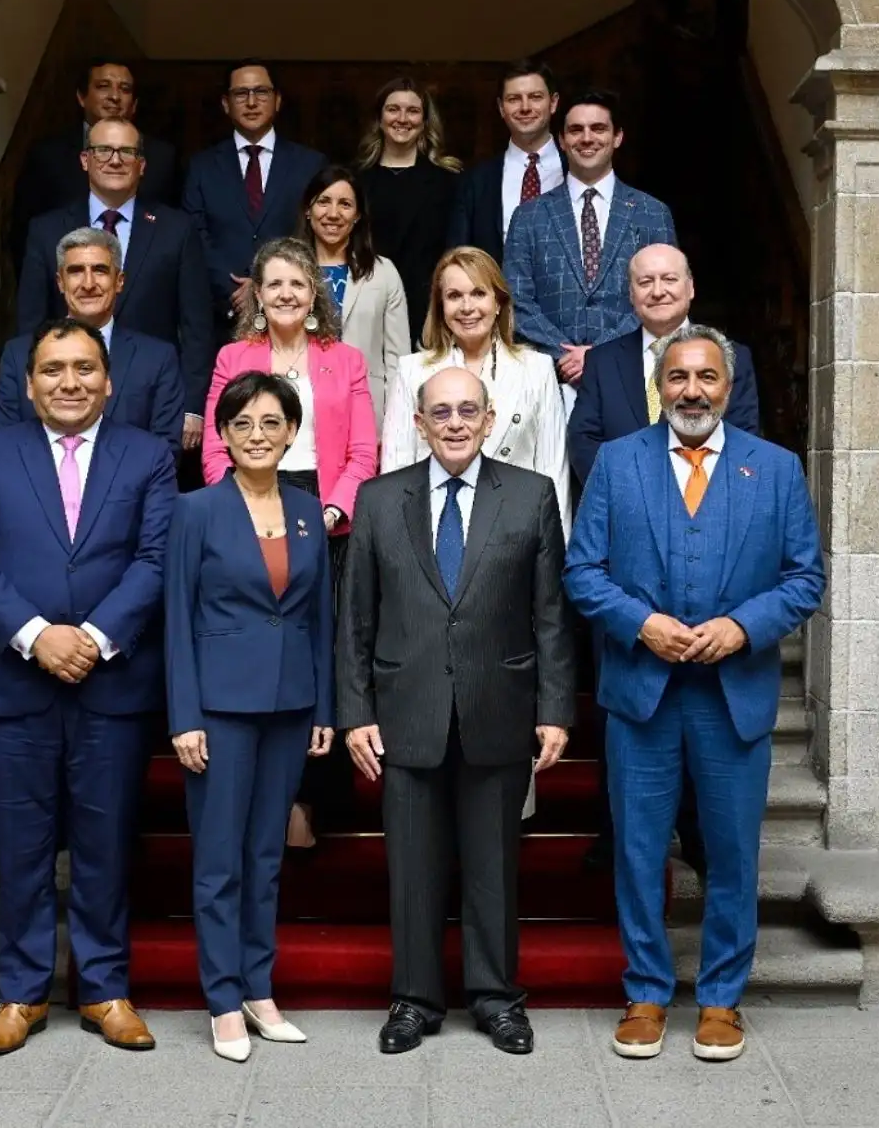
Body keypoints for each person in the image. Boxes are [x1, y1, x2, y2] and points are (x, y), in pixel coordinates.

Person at [562, 323, 823, 1064]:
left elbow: (806, 577)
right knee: (641, 851)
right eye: (677, 377)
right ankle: (645, 992)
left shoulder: (774, 469)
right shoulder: (617, 463)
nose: (692, 390)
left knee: (733, 854)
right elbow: (584, 572)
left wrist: (743, 628)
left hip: (732, 697)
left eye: (707, 377)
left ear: (728, 386)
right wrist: (640, 623)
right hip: (642, 695)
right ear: (659, 386)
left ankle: (720, 1000)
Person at [0, 318, 179, 1058]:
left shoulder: (147, 455)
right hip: (15, 683)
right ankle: (21, 993)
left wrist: (96, 637)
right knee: (21, 845)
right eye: (53, 369)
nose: (69, 381)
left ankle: (105, 988)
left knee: (106, 844)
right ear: (29, 382)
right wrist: (37, 634)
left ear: (109, 381)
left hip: (111, 685)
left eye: (84, 368)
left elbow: (155, 556)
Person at [338, 366, 575, 1058]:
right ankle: (412, 1000)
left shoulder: (531, 496)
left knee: (493, 867)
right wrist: (355, 712)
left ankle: (498, 998)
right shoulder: (379, 500)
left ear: (490, 416)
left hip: (495, 708)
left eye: (467, 409)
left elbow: (551, 617)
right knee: (412, 869)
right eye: (439, 411)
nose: (454, 422)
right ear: (418, 421)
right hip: (404, 712)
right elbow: (354, 617)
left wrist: (556, 708)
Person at [166, 371, 335, 1063]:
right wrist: (184, 717)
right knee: (219, 860)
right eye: (242, 423)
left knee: (267, 856)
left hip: (290, 705)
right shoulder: (196, 511)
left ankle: (260, 989)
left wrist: (325, 705)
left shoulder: (306, 508)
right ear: (223, 435)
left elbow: (320, 615)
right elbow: (175, 618)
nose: (257, 434)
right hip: (219, 707)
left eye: (271, 422)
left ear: (292, 431)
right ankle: (222, 997)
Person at [202, 237, 377, 849]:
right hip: (248, 507)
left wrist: (331, 511)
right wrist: (242, 513)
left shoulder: (346, 360)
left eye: (298, 284)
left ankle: (309, 799)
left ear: (315, 295)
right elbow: (214, 450)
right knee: (258, 649)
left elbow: (362, 454)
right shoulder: (232, 357)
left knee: (318, 656)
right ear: (257, 291)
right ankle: (258, 796)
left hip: (323, 514)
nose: (286, 293)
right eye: (274, 283)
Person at [16, 117, 214, 451]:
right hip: (65, 396)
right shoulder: (46, 230)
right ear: (85, 160)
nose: (115, 159)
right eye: (103, 150)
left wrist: (192, 407)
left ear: (142, 164)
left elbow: (196, 324)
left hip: (150, 399)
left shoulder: (176, 230)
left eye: (125, 151)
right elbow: (30, 321)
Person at [381, 246, 569, 537]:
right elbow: (395, 468)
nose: (467, 307)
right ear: (441, 307)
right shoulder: (411, 371)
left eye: (479, 293)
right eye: (454, 296)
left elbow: (553, 470)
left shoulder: (537, 369)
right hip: (434, 532)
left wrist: (555, 559)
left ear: (498, 303)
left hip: (515, 535)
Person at [504, 88, 677, 388]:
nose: (586, 138)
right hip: (549, 379)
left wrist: (601, 355)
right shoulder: (528, 217)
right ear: (561, 140)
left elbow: (663, 299)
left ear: (617, 137)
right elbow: (515, 301)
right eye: (575, 130)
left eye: (598, 128)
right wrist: (565, 356)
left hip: (631, 375)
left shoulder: (652, 213)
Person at [569, 244, 760, 482]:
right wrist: (625, 494)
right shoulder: (602, 361)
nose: (658, 291)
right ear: (631, 293)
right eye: (645, 282)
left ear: (690, 287)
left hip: (707, 506)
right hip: (622, 509)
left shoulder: (732, 357)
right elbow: (583, 440)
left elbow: (743, 440)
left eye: (669, 279)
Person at [0, 228, 184, 447]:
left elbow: (165, 451)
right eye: (76, 271)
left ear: (119, 281)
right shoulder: (18, 355)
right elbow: (0, 445)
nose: (88, 284)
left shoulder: (157, 359)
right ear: (60, 282)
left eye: (100, 270)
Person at [182, 60, 327, 330]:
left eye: (261, 92)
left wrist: (266, 285)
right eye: (241, 93)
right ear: (226, 103)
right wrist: (235, 290)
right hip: (221, 314)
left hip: (292, 309)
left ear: (278, 100)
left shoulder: (310, 165)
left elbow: (313, 233)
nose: (251, 101)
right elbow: (195, 234)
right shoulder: (201, 166)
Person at [7, 59, 178, 272]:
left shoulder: (161, 157)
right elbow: (22, 234)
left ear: (134, 104)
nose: (114, 96)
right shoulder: (47, 155)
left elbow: (174, 231)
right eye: (103, 86)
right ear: (81, 97)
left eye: (124, 89)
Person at [295, 164, 411, 418]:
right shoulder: (288, 269)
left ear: (358, 215)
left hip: (365, 410)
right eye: (323, 201)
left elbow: (397, 358)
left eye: (345, 204)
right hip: (300, 407)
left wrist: (394, 421)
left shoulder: (383, 272)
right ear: (307, 209)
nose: (333, 213)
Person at [356, 77, 461, 347]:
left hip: (426, 314)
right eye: (393, 109)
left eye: (413, 111)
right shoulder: (354, 181)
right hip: (365, 308)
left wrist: (437, 316)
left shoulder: (449, 183)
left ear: (425, 122)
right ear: (378, 119)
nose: (402, 118)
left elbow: (454, 253)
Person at [446, 58, 564, 265]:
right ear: (501, 108)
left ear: (553, 103)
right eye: (514, 99)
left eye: (535, 97)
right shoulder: (475, 182)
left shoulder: (579, 170)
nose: (525, 107)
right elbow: (459, 260)